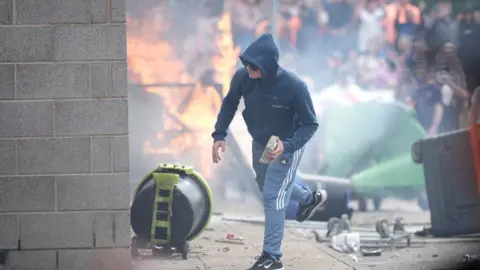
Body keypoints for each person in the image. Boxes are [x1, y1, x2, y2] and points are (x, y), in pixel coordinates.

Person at [211, 34, 328, 270]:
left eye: (253, 66)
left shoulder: (294, 86)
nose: (248, 69)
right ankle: (310, 198)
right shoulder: (243, 78)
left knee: (273, 195)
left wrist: (288, 145)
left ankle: (272, 257)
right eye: (246, 64)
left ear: (267, 65)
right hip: (262, 142)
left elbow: (310, 124)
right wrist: (219, 135)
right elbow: (230, 103)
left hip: (286, 143)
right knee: (266, 184)